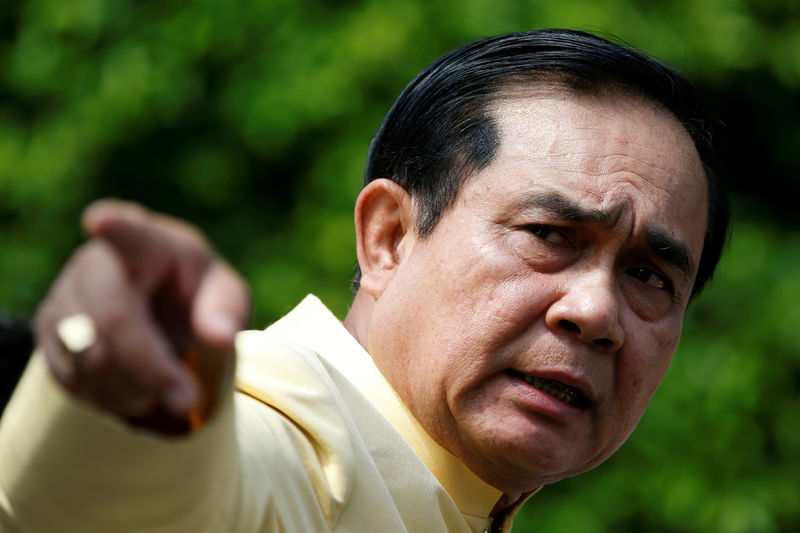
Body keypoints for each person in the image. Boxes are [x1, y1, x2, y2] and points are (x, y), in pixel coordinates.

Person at [0, 28, 729, 532]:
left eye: (649, 275)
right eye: (548, 235)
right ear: (388, 237)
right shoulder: (287, 448)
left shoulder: (461, 499)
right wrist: (107, 396)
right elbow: (120, 499)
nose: (596, 309)